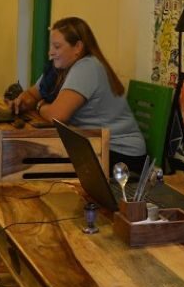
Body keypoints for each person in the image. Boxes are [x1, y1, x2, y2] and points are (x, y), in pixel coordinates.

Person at [8, 16, 147, 172]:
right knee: (31, 158)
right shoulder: (59, 69)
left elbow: (57, 116)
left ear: (78, 47)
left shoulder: (87, 67)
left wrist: (40, 106)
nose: (50, 52)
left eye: (57, 47)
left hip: (121, 155)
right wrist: (22, 101)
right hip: (94, 144)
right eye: (51, 46)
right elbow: (33, 94)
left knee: (30, 160)